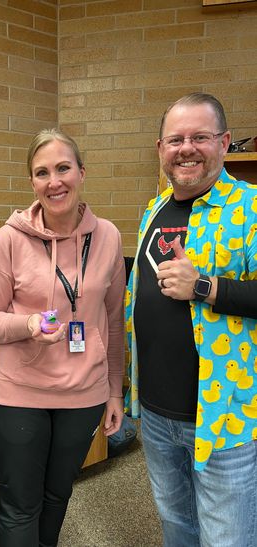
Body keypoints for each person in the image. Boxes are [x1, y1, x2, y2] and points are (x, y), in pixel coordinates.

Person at [0, 128, 125, 547]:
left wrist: (115, 392)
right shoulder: (10, 238)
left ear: (81, 172)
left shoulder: (108, 236)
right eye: (42, 173)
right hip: (19, 393)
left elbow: (111, 320)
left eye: (63, 168)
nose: (54, 181)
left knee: (57, 495)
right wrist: (27, 326)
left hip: (84, 394)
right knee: (20, 505)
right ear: (32, 183)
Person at [126, 92, 257, 547]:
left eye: (200, 137)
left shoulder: (252, 208)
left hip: (225, 415)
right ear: (160, 148)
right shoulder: (155, 207)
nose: (187, 148)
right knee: (177, 525)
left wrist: (205, 287)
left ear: (223, 142)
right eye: (175, 139)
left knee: (227, 537)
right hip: (157, 413)